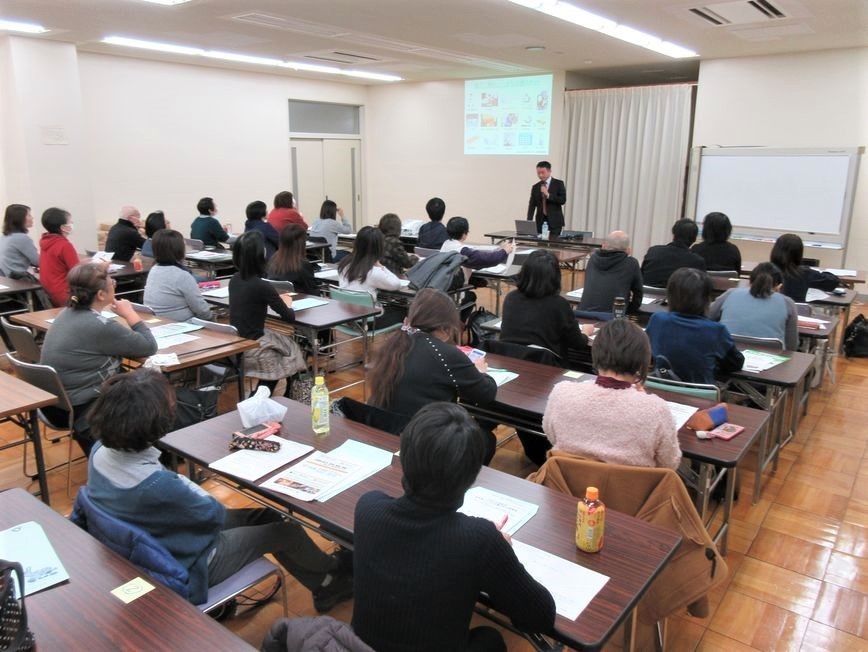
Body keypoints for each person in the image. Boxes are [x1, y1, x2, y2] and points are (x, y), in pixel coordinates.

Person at [84, 369, 353, 611]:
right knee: (287, 531)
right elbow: (211, 514)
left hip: (156, 537)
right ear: (156, 423)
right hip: (190, 563)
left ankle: (324, 585)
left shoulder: (100, 452)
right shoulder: (156, 485)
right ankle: (333, 571)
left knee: (267, 516)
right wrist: (186, 488)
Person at [352, 403, 556, 652]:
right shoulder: (479, 540)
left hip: (362, 647)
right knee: (490, 639)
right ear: (471, 476)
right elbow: (540, 616)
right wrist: (498, 547)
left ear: (404, 458)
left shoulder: (368, 507)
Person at [367, 288, 498, 461]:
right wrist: (481, 372)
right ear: (445, 326)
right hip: (425, 442)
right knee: (486, 439)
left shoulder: (393, 343)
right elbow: (486, 393)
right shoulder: (445, 354)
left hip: (384, 431)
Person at [40, 263, 157, 455]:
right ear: (101, 295)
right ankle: (152, 452)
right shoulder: (100, 326)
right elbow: (149, 346)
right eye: (113, 283)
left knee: (136, 380)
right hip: (82, 406)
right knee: (150, 387)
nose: (115, 285)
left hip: (56, 404)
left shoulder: (65, 314)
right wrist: (130, 314)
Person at [543, 319, 681, 469]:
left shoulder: (561, 393)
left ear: (595, 354)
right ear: (643, 362)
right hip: (630, 490)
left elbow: (552, 437)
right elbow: (669, 463)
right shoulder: (656, 409)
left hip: (565, 486)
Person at [229, 231, 307, 397]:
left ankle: (270, 394)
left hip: (237, 339)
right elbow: (289, 317)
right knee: (291, 351)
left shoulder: (234, 279)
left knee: (285, 349)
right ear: (260, 255)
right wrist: (286, 303)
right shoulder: (261, 286)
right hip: (254, 344)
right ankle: (262, 396)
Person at [645, 267, 744, 384]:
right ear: (706, 298)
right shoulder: (716, 330)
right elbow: (735, 364)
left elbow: (648, 352)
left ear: (670, 296)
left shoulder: (657, 320)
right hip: (701, 397)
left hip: (661, 391)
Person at [501, 250, 592, 360]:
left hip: (510, 358)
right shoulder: (559, 304)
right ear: (555, 276)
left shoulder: (511, 298)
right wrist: (586, 333)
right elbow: (577, 343)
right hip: (545, 364)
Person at [709, 262, 798, 350]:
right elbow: (791, 346)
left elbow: (707, 315)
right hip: (770, 359)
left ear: (749, 281)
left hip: (726, 356)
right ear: (779, 286)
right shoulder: (787, 303)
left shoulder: (731, 293)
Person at [338, 226, 405, 329]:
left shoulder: (344, 265)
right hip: (368, 322)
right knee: (402, 310)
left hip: (347, 318)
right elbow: (396, 284)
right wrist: (381, 266)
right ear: (378, 248)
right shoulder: (373, 272)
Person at [143, 229, 212, 322]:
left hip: (156, 321)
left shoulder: (154, 269)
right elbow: (201, 310)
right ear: (179, 250)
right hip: (180, 324)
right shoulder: (181, 275)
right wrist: (211, 318)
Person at [579, 230, 643, 315]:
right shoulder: (631, 263)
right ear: (628, 250)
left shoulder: (592, 259)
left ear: (603, 245)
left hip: (584, 314)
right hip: (613, 317)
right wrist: (630, 310)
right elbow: (638, 293)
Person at [770, 233, 840, 302]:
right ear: (799, 253)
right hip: (796, 312)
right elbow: (833, 282)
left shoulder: (764, 270)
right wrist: (822, 272)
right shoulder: (805, 273)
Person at [441, 216, 513, 282]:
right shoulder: (463, 251)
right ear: (464, 234)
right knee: (473, 294)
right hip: (454, 291)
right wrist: (504, 251)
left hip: (443, 285)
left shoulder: (446, 244)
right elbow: (487, 259)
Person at [641, 219, 706, 288]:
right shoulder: (697, 261)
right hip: (679, 298)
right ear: (694, 239)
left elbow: (640, 277)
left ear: (673, 234)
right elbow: (702, 288)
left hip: (647, 296)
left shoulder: (653, 251)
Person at [39, 207, 80, 307]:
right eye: (70, 222)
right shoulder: (64, 245)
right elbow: (78, 273)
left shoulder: (46, 241)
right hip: (66, 293)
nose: (72, 224)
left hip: (50, 292)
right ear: (63, 227)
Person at [267, 223, 321, 295]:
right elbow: (313, 292)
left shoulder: (273, 260)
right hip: (301, 303)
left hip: (279, 302)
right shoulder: (302, 265)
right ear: (302, 243)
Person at [526, 161, 566, 237]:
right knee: (541, 245)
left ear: (549, 171)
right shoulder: (536, 187)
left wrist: (548, 194)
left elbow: (562, 200)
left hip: (555, 222)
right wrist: (529, 221)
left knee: (554, 245)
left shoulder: (559, 184)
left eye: (543, 172)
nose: (540, 175)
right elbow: (532, 205)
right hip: (540, 221)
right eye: (538, 173)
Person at [0, 203, 39, 278]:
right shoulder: (21, 238)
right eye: (29, 215)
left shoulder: (4, 237)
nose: (32, 218)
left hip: (7, 279)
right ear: (20, 218)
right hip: (20, 280)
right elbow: (38, 261)